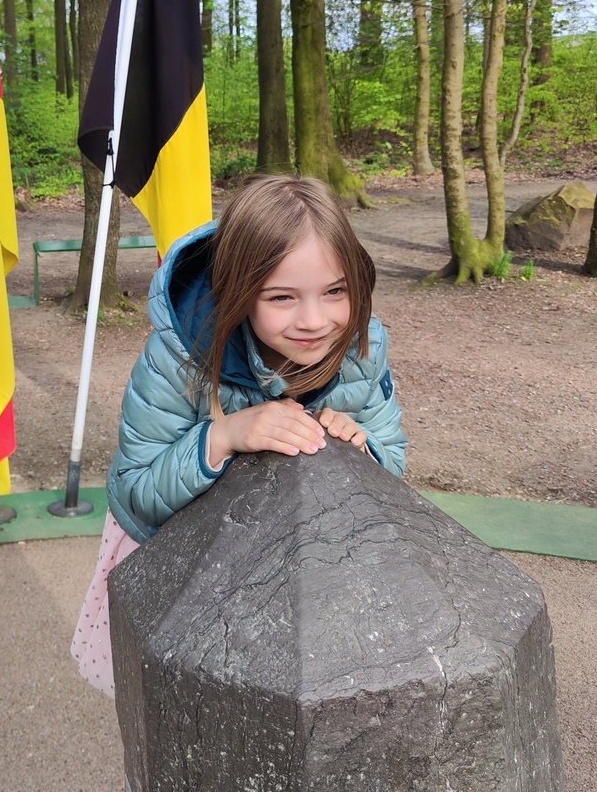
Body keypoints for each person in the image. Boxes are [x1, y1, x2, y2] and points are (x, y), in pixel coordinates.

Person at [71, 173, 406, 697]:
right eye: (282, 297)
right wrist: (222, 436)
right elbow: (138, 489)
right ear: (240, 291)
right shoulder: (181, 356)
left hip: (295, 564)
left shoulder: (363, 343)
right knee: (184, 692)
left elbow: (394, 458)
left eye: (335, 291)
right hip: (182, 559)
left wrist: (364, 449)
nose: (314, 320)